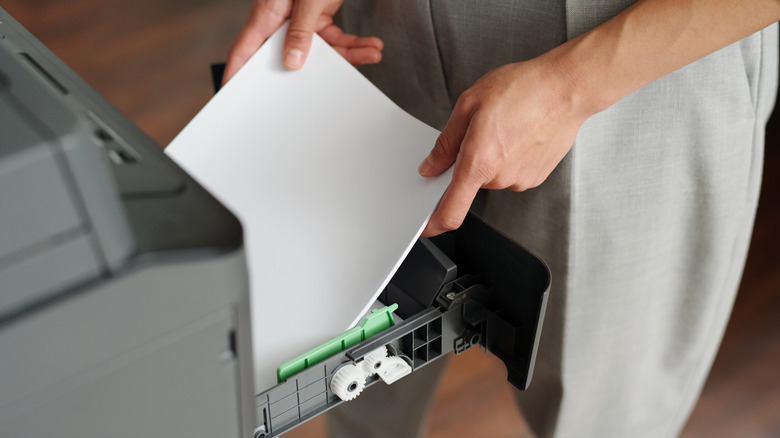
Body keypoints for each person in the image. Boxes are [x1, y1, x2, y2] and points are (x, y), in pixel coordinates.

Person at [224, 1, 780, 437]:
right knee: (352, 356)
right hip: (391, 35)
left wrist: (573, 85)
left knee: (599, 410)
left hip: (633, 68)